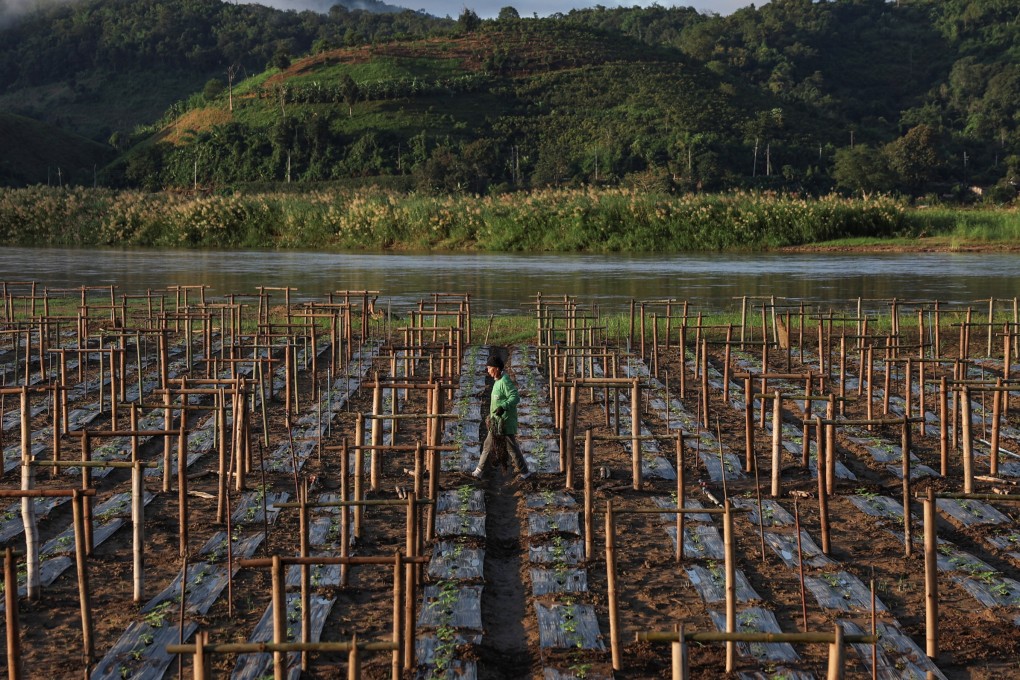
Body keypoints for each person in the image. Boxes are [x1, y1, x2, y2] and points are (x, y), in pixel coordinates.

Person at [473, 355, 531, 480]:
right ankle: (478, 471)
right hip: (496, 422)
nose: (488, 371)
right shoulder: (498, 381)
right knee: (488, 445)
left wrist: (503, 407)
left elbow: (515, 397)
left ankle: (525, 473)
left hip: (504, 422)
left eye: (489, 368)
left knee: (511, 449)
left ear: (497, 369)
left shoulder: (505, 381)